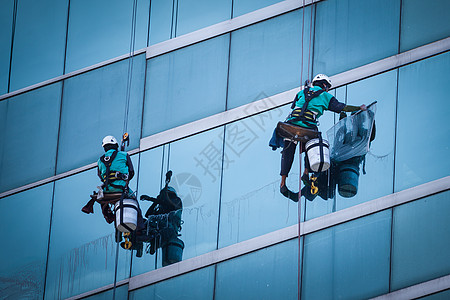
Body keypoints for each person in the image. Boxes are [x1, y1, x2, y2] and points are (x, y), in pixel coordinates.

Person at [280, 74, 366, 201]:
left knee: (289, 149)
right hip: (308, 125)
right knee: (314, 144)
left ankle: (283, 182)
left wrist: (307, 89)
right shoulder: (325, 95)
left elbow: (295, 106)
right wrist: (359, 108)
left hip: (290, 124)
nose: (327, 90)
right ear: (325, 85)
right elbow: (342, 107)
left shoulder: (301, 92)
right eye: (327, 87)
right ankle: (306, 172)